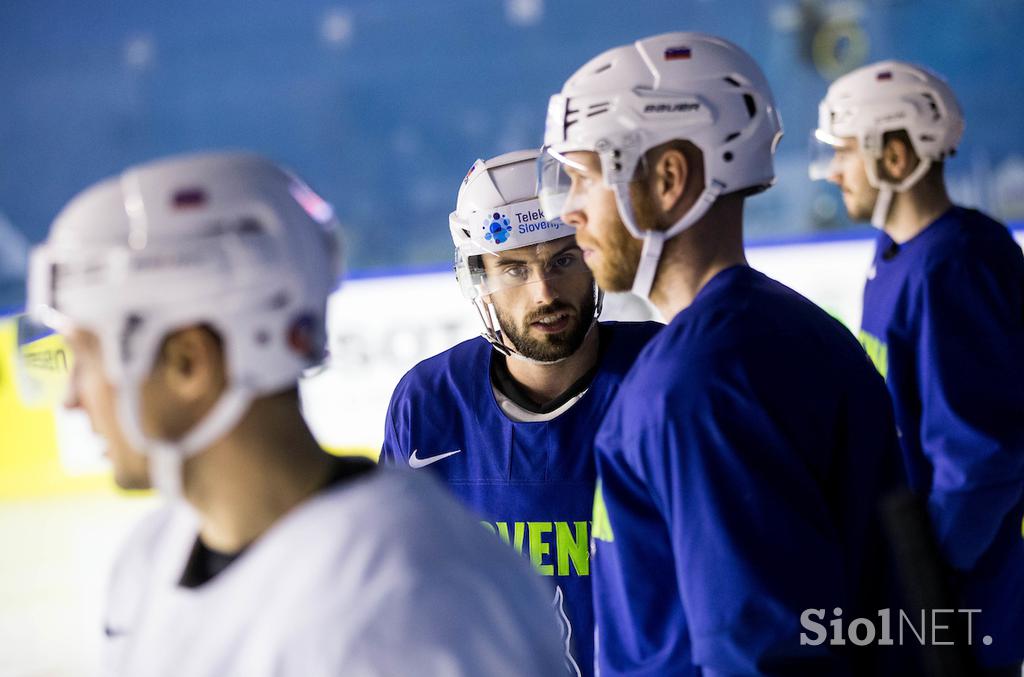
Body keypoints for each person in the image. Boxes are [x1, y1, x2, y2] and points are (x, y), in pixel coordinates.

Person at [26, 151, 566, 676]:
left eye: (89, 354)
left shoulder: (407, 601)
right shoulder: (147, 563)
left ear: (190, 362)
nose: (72, 396)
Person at [539, 32, 905, 675]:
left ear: (670, 178)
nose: (569, 211)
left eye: (584, 179)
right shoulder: (790, 330)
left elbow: (761, 654)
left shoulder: (693, 386)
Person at [379, 148, 661, 676]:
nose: (545, 292)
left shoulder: (668, 375)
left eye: (562, 260)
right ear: (478, 276)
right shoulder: (427, 405)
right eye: (514, 268)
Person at [813, 60, 1024, 673]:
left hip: (962, 607)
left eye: (846, 151)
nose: (833, 170)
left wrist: (924, 588)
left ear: (897, 157)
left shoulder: (956, 267)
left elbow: (981, 462)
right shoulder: (900, 256)